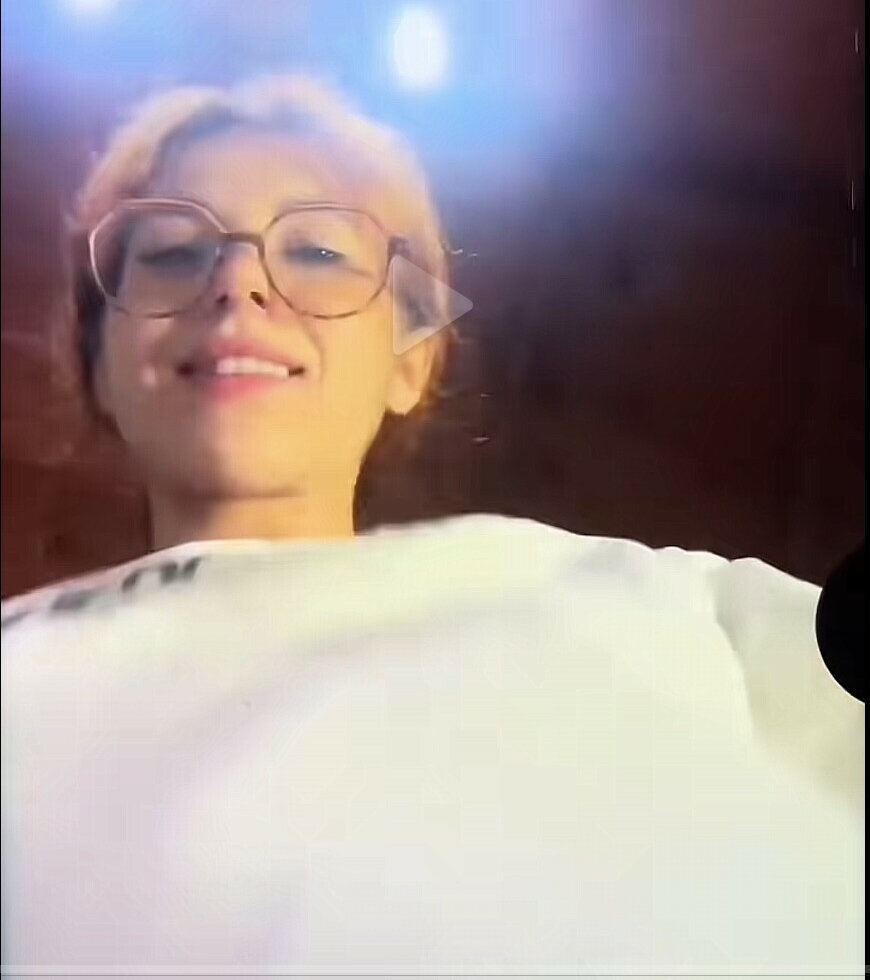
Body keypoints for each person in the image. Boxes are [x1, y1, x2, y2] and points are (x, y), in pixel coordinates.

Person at [1, 74, 863, 973]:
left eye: (319, 253)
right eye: (176, 252)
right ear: (98, 363)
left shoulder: (665, 608)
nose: (238, 281)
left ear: (408, 363)